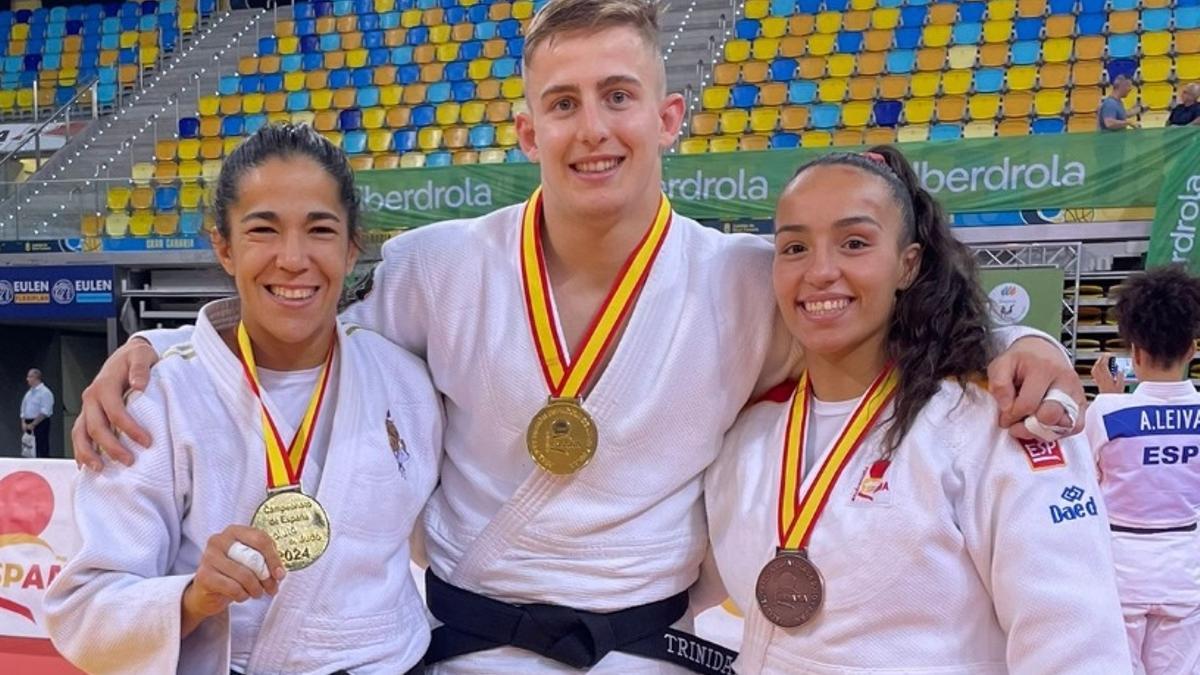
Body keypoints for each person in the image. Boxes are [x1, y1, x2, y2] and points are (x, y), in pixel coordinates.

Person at [70, 2, 1082, 672]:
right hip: (463, 648)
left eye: (617, 97)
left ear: (669, 116)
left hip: (652, 653)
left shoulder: (742, 279)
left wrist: (1003, 353)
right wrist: (165, 348)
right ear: (526, 131)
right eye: (563, 104)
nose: (592, 128)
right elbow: (303, 347)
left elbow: (864, 324)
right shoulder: (437, 265)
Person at [705, 147, 1130, 673]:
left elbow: (1077, 648)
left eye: (854, 243)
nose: (819, 271)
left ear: (908, 264)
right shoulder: (747, 433)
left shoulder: (994, 419)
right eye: (794, 247)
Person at [43, 124, 442, 675]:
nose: (294, 258)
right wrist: (191, 598)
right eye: (264, 230)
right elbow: (83, 613)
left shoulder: (405, 382)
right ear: (224, 247)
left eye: (320, 230)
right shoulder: (156, 398)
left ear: (353, 250)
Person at [1088, 267, 1200, 675]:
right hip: (1185, 572)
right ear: (1192, 348)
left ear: (1133, 352)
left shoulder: (1106, 411)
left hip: (1119, 573)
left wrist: (1108, 399)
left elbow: (1086, 482)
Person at [20, 368, 54, 458]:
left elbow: (45, 411)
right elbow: (23, 408)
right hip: (28, 423)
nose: (27, 379)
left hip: (40, 422)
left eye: (30, 377)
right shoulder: (29, 393)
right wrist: (23, 422)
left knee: (41, 446)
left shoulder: (45, 392)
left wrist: (34, 424)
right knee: (28, 448)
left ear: (36, 378)